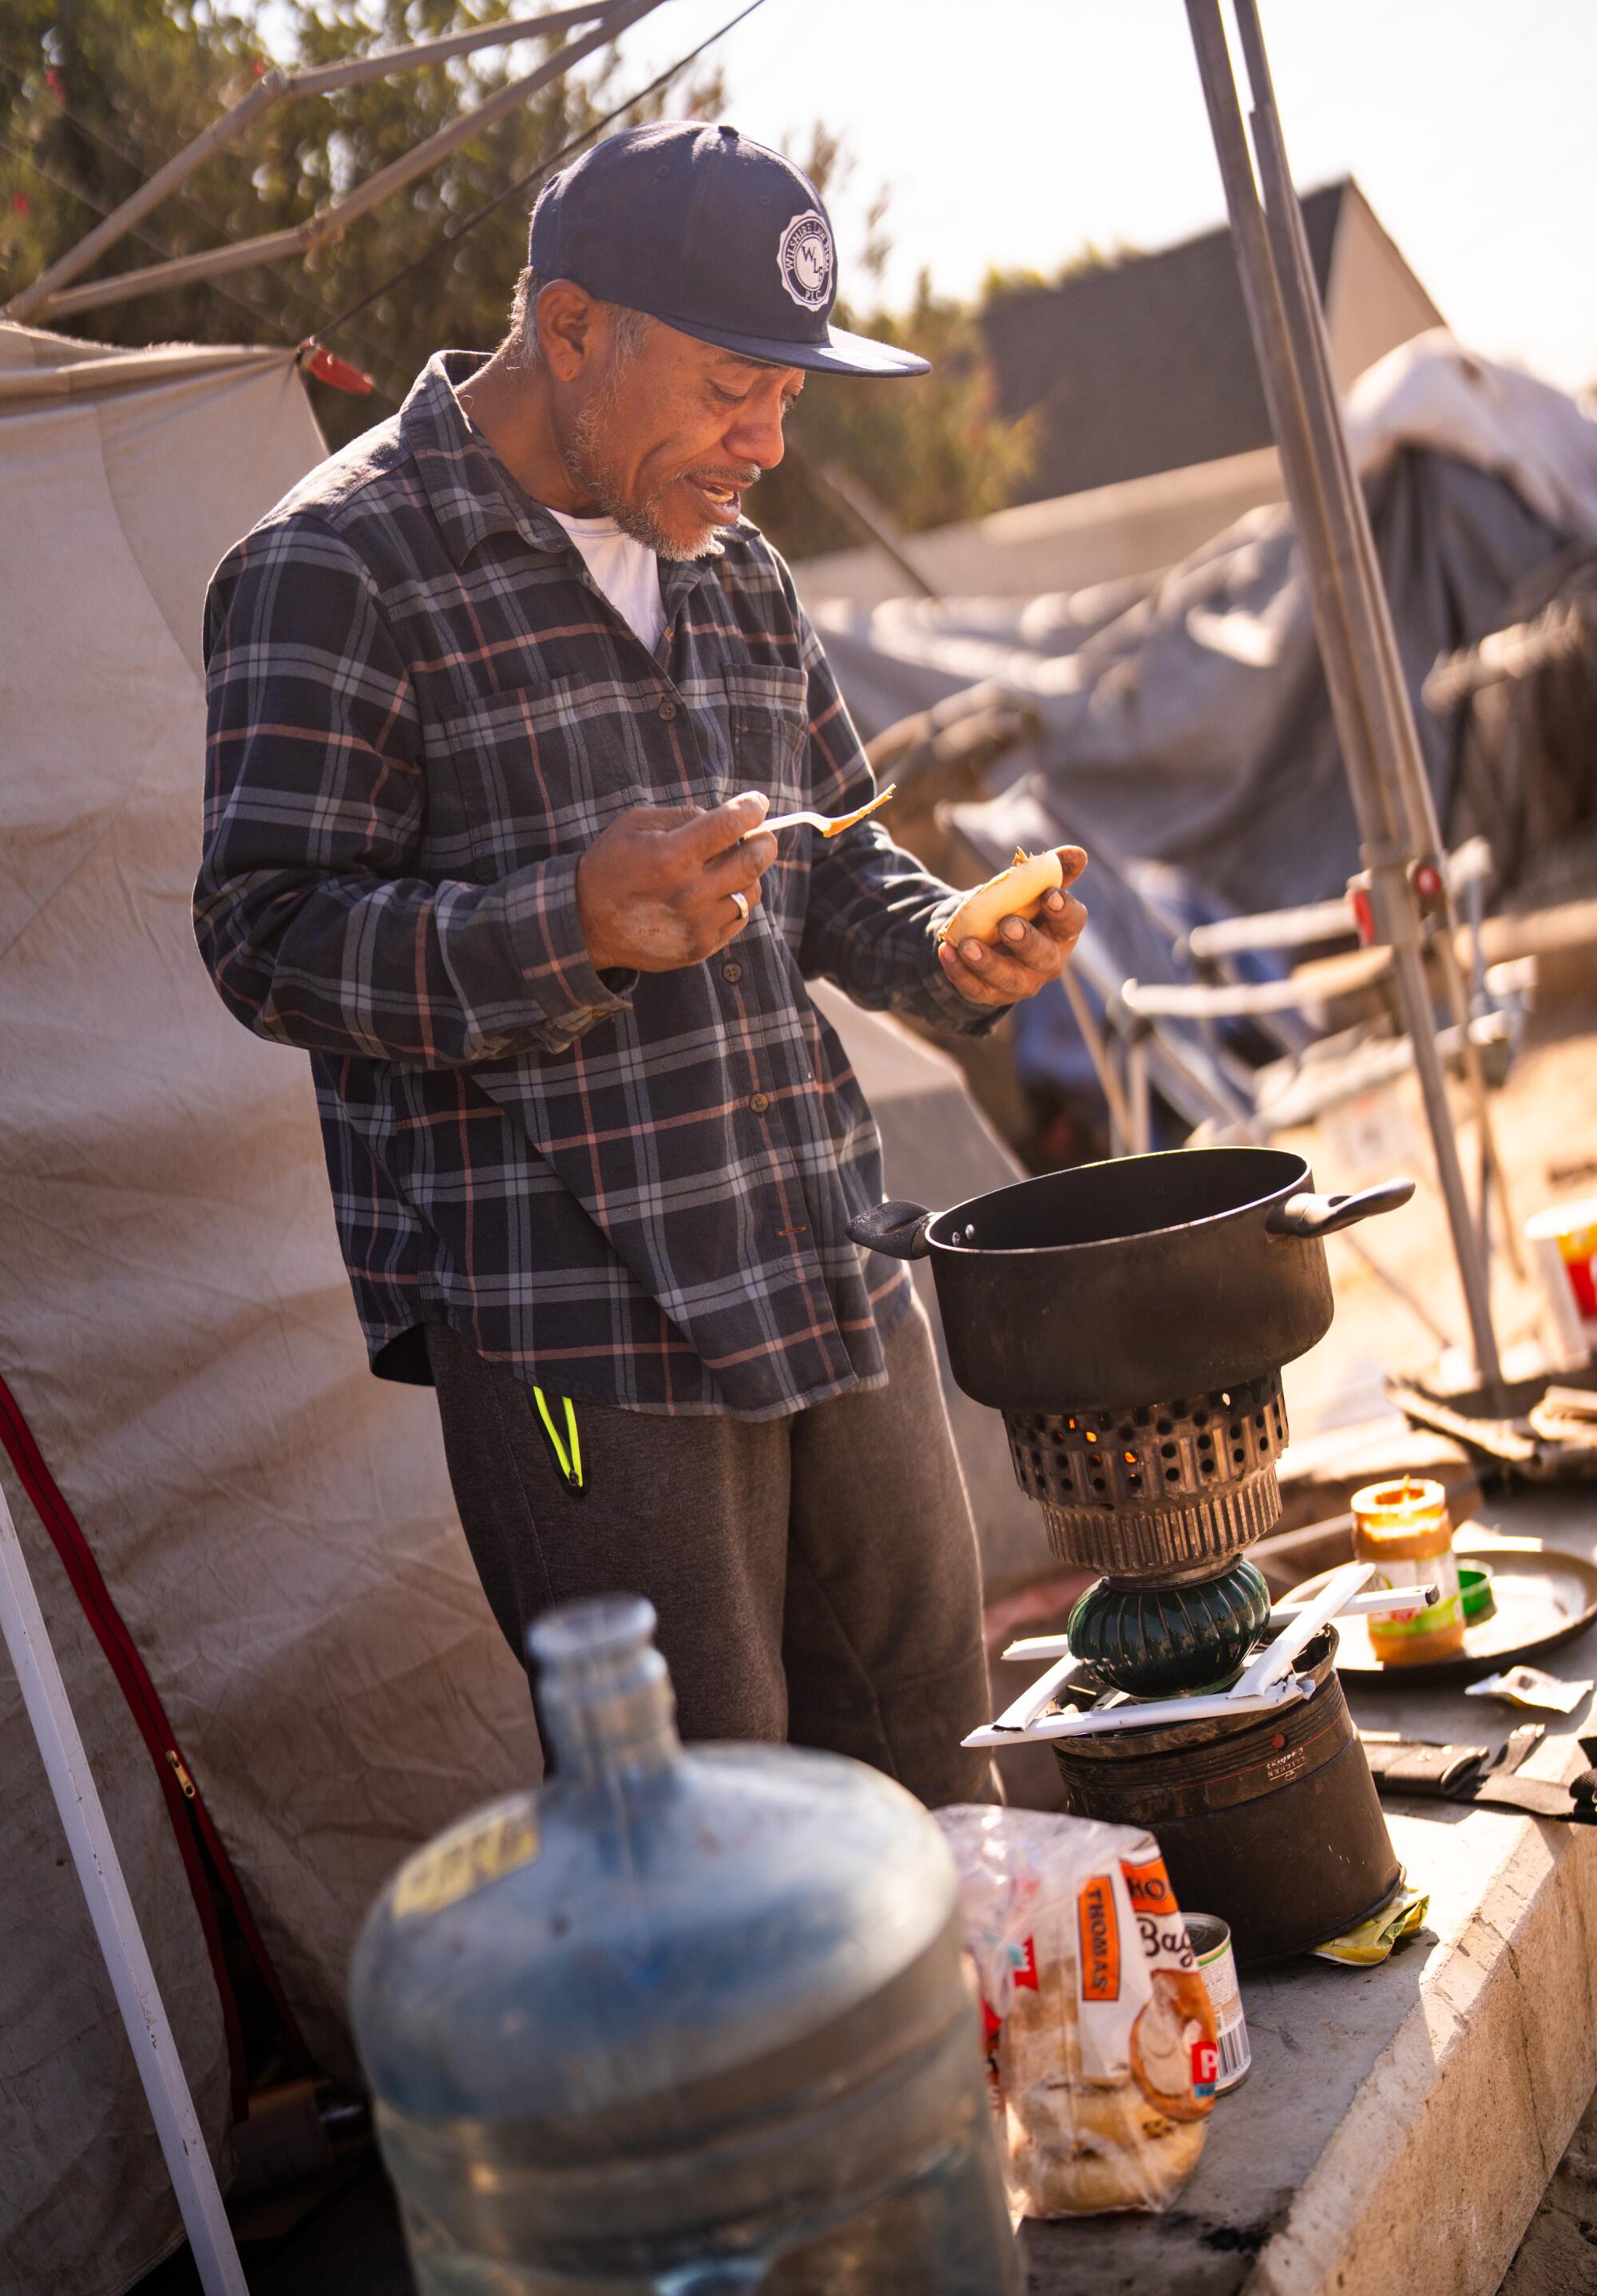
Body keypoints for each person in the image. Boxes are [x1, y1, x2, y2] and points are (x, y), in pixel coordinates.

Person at [196, 122, 1086, 1807]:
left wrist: (948, 946)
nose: (764, 443)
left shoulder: (734, 567)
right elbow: (261, 939)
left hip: (827, 1254)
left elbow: (829, 856)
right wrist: (571, 926)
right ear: (576, 327)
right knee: (719, 1835)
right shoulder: (333, 569)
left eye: (789, 400)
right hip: (575, 1332)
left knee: (941, 1774)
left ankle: (972, 2085)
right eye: (735, 387)